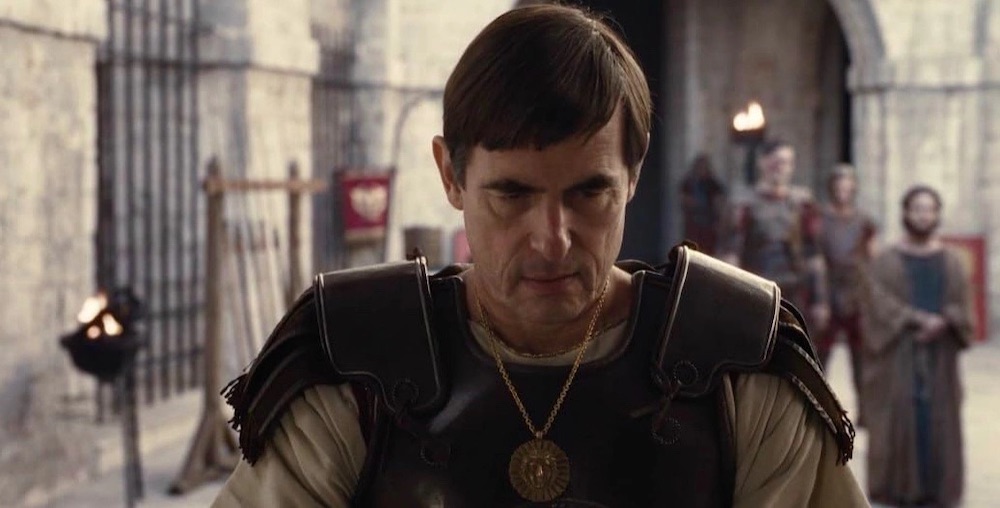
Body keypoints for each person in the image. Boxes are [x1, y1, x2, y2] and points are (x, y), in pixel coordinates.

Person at [212, 5, 865, 506]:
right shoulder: (358, 370)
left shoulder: (738, 365)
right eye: (512, 193)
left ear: (633, 177)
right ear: (451, 175)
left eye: (589, 192)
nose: (552, 239)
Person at [861, 185, 974, 507]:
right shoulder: (885, 260)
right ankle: (896, 489)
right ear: (906, 214)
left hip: (940, 356)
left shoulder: (952, 261)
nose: (923, 216)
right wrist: (914, 320)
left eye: (929, 210)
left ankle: (938, 490)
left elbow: (963, 304)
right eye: (917, 209)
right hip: (899, 354)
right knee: (898, 417)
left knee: (939, 419)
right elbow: (876, 303)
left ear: (937, 215)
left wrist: (946, 321)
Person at [723, 140, 830, 334]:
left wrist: (819, 300)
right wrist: (730, 295)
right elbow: (732, 254)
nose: (781, 168)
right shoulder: (744, 205)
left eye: (787, 163)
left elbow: (814, 254)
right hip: (756, 290)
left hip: (795, 292)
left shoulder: (803, 204)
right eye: (776, 162)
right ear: (762, 163)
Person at [814, 164, 876, 421]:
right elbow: (814, 255)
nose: (843, 190)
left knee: (860, 356)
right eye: (838, 185)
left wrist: (871, 294)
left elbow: (872, 257)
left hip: (856, 290)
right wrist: (819, 296)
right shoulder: (820, 219)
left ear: (853, 188)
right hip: (829, 288)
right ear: (832, 188)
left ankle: (866, 411)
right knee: (820, 354)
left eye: (847, 185)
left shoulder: (864, 221)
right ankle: (816, 408)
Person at [679, 153, 727, 255]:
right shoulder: (689, 183)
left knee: (708, 252)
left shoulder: (712, 184)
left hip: (709, 224)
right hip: (694, 224)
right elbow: (684, 199)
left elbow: (719, 201)